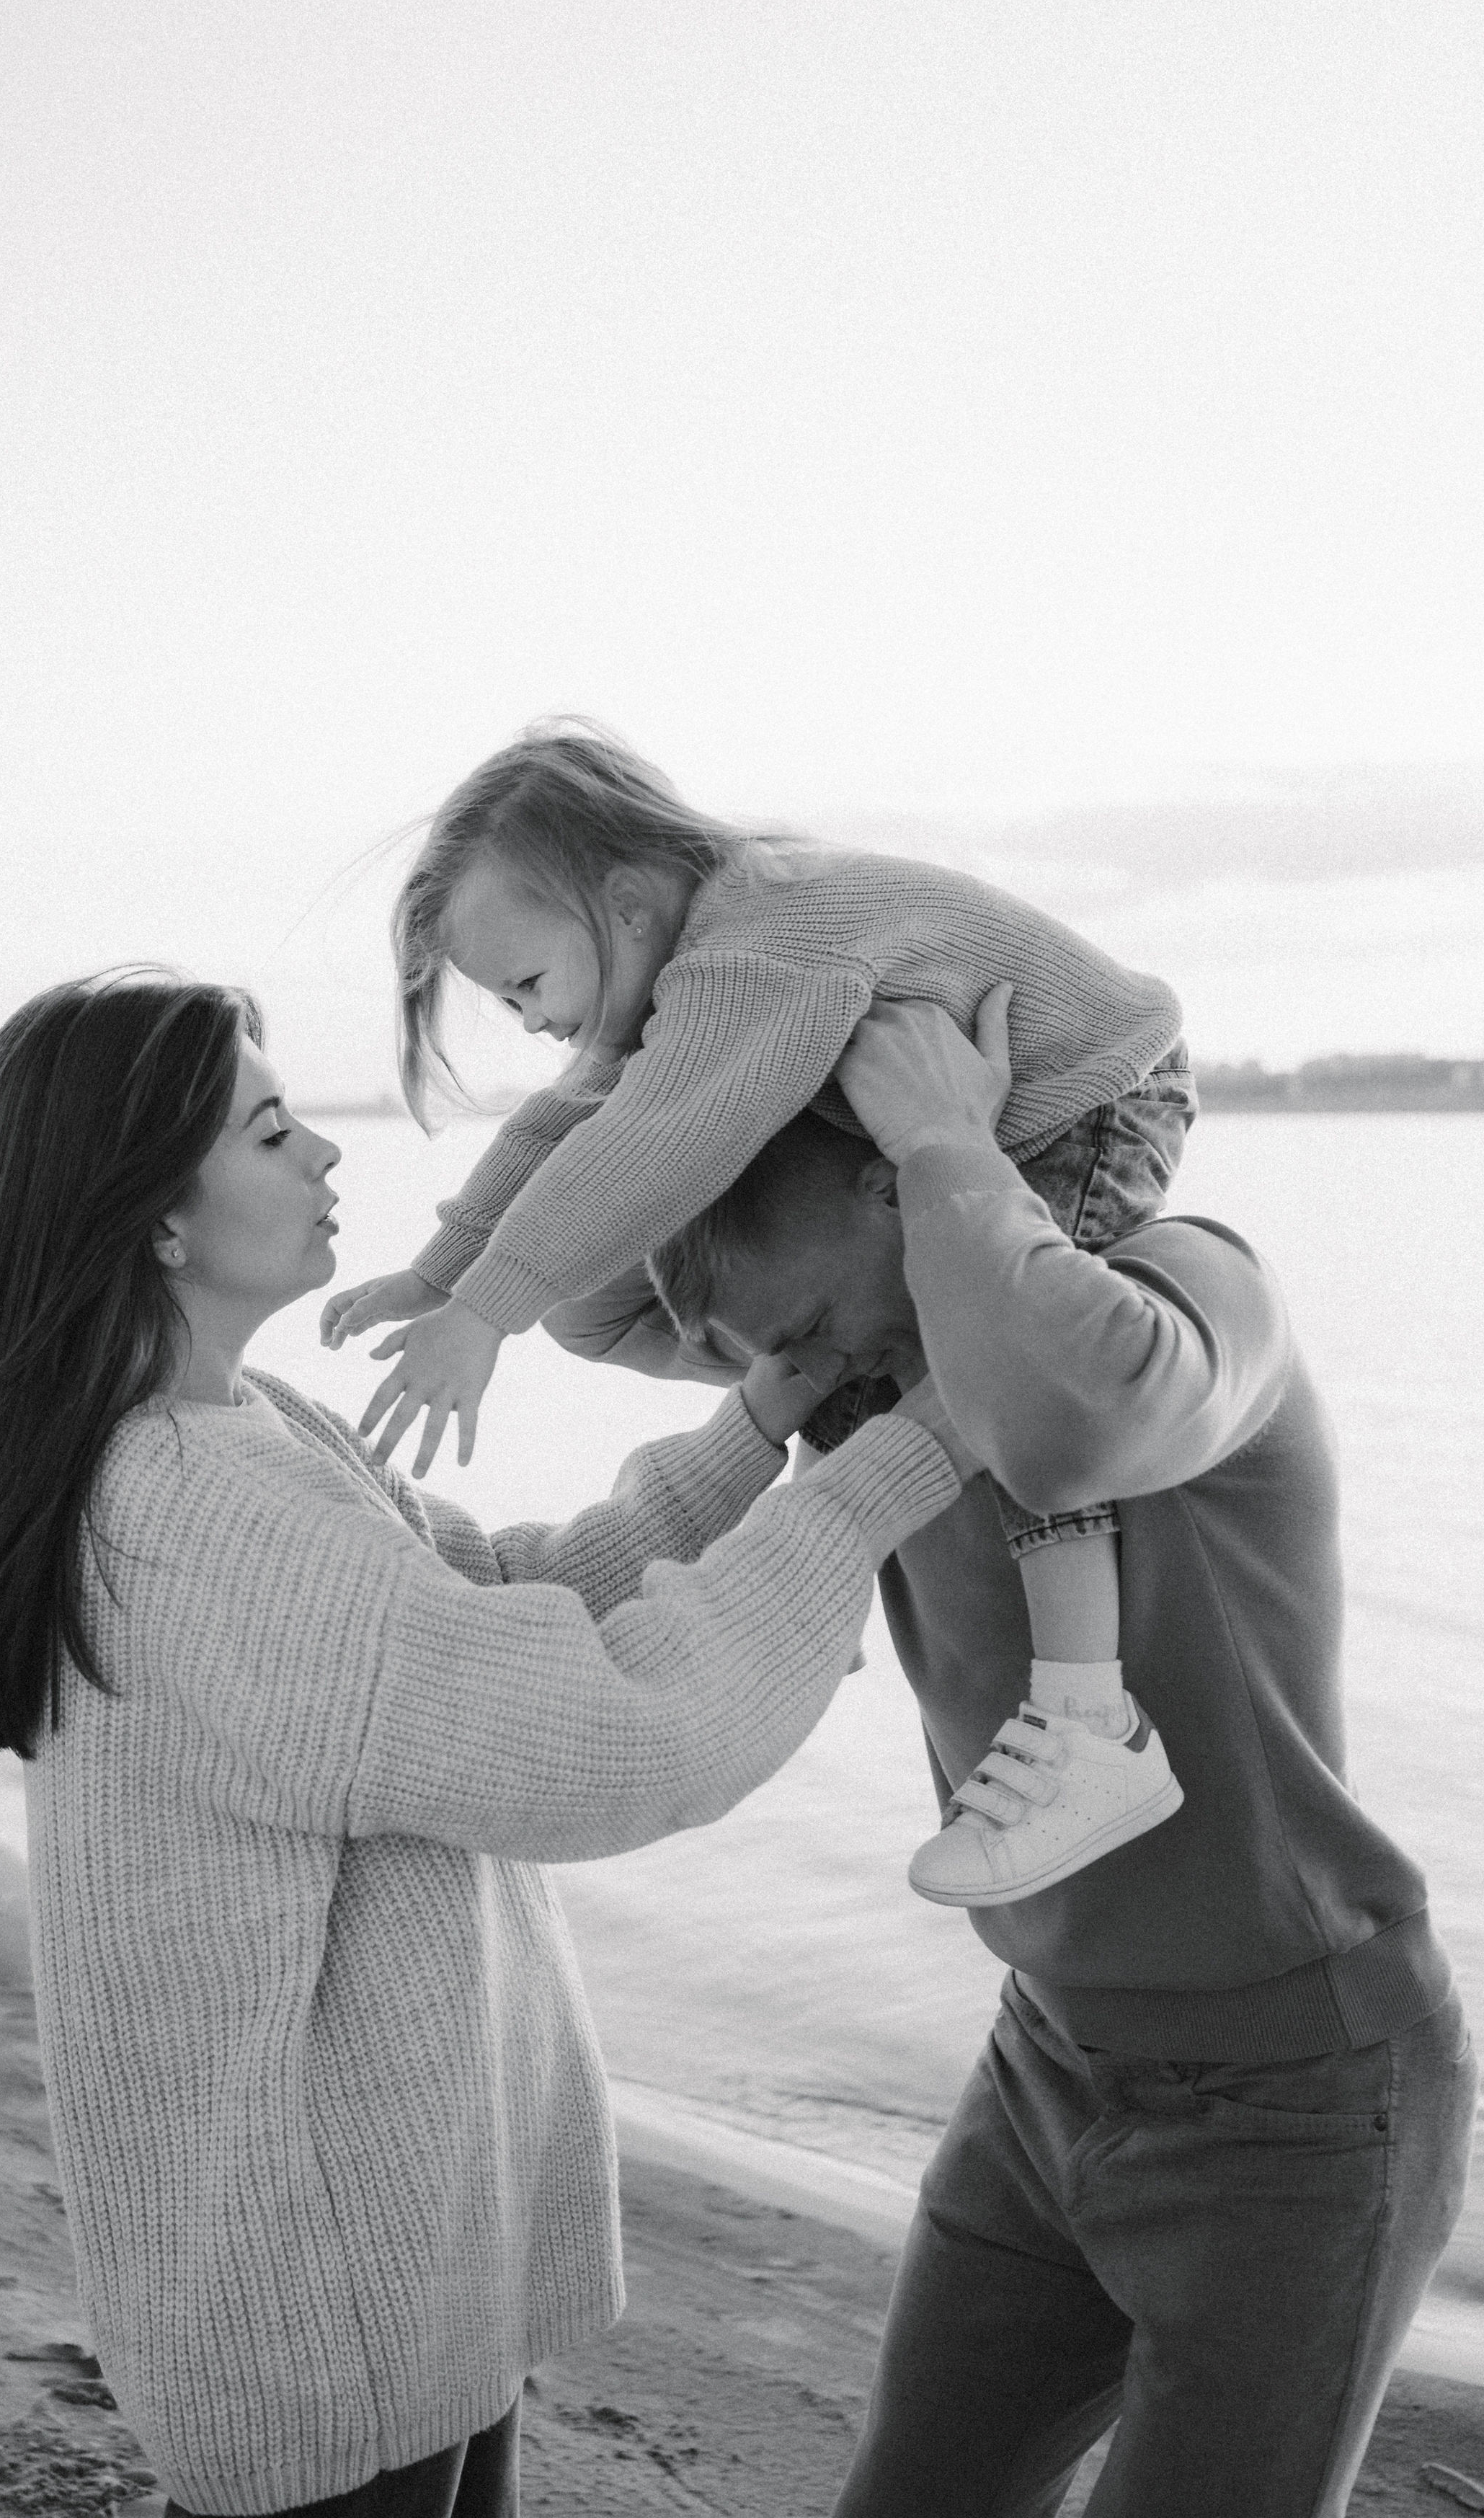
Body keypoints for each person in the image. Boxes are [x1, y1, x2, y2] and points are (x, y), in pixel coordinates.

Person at [0, 967, 974, 2518]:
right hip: (319, 2285)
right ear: (156, 1222)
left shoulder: (239, 1431)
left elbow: (492, 1600)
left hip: (394, 2235)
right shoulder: (187, 1512)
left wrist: (755, 1430)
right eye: (270, 1133)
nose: (324, 1152)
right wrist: (891, 1473)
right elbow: (604, 1743)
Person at [641, 992, 1476, 2518]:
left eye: (812, 1327)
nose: (814, 1371)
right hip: (1042, 2063)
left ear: (892, 1189)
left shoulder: (1185, 1287)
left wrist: (944, 1138)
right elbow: (594, 1308)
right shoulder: (884, 1392)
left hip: (1298, 2102)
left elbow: (1085, 1414)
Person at [325, 717, 1192, 1906]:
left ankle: (1093, 1722)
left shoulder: (757, 952)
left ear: (626, 905)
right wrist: (442, 1273)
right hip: (1001, 1118)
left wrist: (487, 1311)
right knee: (881, 1359)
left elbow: (647, 1147)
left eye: (527, 984)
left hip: (1092, 1102)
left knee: (1010, 1380)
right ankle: (810, 1589)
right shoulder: (700, 952)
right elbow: (560, 1122)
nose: (527, 1021)